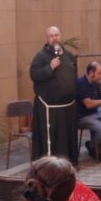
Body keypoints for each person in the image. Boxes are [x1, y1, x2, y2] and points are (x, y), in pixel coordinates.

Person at [29, 26, 79, 164]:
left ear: (61, 36)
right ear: (47, 38)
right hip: (49, 107)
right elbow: (34, 75)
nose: (54, 38)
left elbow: (74, 75)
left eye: (56, 35)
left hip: (67, 106)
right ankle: (50, 166)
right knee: (53, 138)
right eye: (51, 36)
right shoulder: (41, 56)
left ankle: (69, 163)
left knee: (66, 137)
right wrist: (49, 67)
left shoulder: (68, 55)